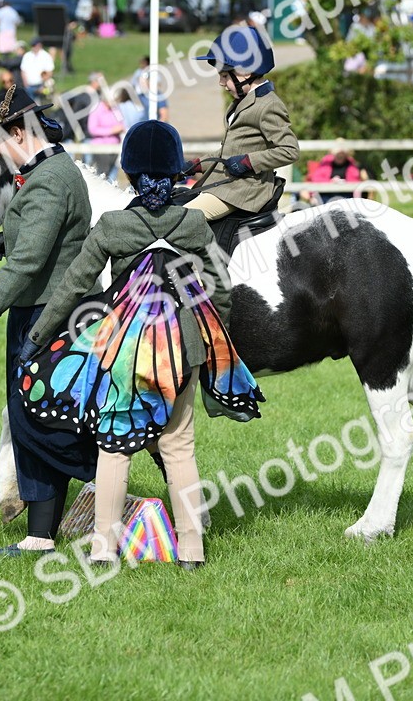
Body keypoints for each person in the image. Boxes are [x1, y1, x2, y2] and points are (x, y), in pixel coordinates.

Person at [19, 120, 260, 570]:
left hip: (124, 353)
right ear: (174, 174)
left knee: (114, 449)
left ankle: (103, 551)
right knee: (179, 446)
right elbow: (219, 290)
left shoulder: (113, 226)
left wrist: (38, 336)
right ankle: (191, 552)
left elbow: (74, 286)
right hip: (183, 351)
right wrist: (212, 338)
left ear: (129, 171)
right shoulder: (193, 225)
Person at [0, 85, 94, 556]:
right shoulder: (51, 171)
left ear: (16, 133)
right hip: (42, 312)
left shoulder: (50, 179)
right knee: (36, 421)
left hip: (47, 319)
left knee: (39, 423)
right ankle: (40, 537)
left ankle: (109, 488)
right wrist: (10, 235)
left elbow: (27, 266)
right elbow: (44, 240)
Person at [186, 25, 300, 221]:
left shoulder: (268, 105)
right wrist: (195, 166)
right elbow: (228, 152)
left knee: (181, 220)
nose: (221, 83)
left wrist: (248, 162)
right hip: (225, 185)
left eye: (224, 76)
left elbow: (290, 150)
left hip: (244, 191)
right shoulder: (242, 102)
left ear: (245, 72)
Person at [308, 140, 369, 204]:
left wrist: (345, 184)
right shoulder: (326, 162)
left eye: (342, 153)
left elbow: (355, 182)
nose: (340, 155)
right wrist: (331, 182)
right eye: (338, 153)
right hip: (327, 194)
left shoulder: (351, 164)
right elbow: (316, 179)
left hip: (345, 195)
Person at [86, 88, 126, 182]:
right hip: (101, 147)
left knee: (111, 174)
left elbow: (122, 123)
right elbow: (92, 129)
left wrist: (120, 128)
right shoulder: (96, 109)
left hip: (114, 147)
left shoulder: (115, 110)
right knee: (102, 173)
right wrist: (111, 130)